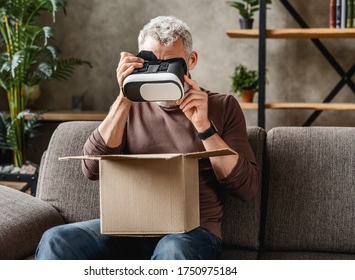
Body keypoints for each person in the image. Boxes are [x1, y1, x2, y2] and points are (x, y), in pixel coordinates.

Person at [36, 15, 259, 260]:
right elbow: (91, 169)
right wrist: (124, 97)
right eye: (150, 63)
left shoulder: (222, 106)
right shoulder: (128, 106)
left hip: (191, 232)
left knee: (173, 250)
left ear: (191, 61)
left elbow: (246, 188)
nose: (159, 73)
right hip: (126, 228)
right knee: (56, 239)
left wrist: (204, 127)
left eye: (170, 64)